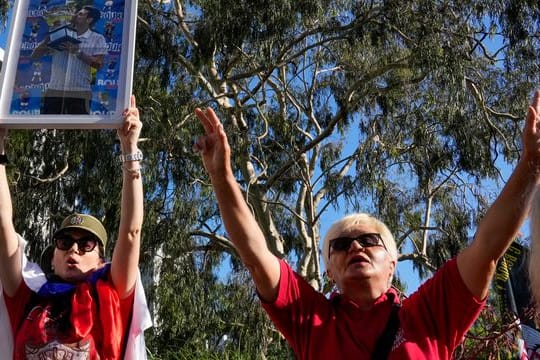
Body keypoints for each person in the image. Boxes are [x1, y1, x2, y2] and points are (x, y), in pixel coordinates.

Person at [193, 90, 540, 359]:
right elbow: (255, 256)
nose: (355, 247)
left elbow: (487, 248)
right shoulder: (311, 321)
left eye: (369, 240)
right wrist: (222, 176)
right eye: (341, 245)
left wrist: (531, 165)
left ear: (393, 262)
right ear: (329, 271)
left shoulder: (429, 313)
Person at [0, 96, 151, 358]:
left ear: (101, 259)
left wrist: (129, 149)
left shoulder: (112, 293)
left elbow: (131, 231)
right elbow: (2, 224)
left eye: (86, 244)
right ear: (53, 258)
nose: (74, 249)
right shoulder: (28, 296)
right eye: (64, 242)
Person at [32, 5, 107, 114]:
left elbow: (99, 64)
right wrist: (51, 36)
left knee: (77, 130)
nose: (76, 15)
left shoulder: (97, 38)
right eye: (77, 13)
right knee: (47, 126)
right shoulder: (60, 32)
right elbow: (35, 55)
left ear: (89, 20)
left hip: (80, 92)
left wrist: (78, 52)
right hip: (54, 91)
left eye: (81, 14)